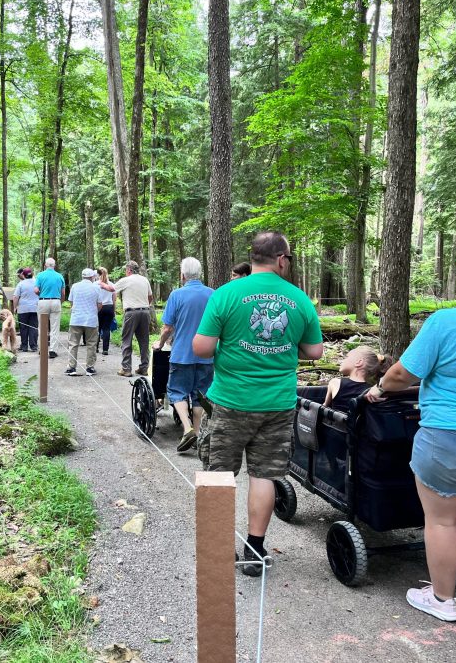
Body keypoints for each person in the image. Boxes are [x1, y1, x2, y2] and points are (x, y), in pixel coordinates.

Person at [193, 231, 323, 576]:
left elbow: (201, 348)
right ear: (281, 259)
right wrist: (283, 351)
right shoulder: (299, 299)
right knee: (264, 476)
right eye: (290, 259)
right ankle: (254, 551)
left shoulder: (227, 294)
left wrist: (230, 348)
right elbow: (315, 352)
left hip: (231, 401)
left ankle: (217, 550)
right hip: (278, 404)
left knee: (219, 474)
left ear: (253, 258)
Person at [367, 308, 456, 622]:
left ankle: (442, 599)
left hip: (447, 435)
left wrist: (379, 388)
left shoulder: (447, 323)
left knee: (443, 521)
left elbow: (401, 375)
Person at [153, 257, 214, 452]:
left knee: (176, 391)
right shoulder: (212, 295)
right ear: (200, 273)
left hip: (182, 353)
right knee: (200, 394)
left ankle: (187, 429)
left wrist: (160, 344)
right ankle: (196, 433)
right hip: (207, 355)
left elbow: (167, 327)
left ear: (182, 275)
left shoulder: (177, 295)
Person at [112, 260, 153, 377]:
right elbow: (150, 297)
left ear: (129, 270)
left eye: (126, 270)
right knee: (144, 341)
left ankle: (126, 368)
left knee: (127, 340)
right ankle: (144, 368)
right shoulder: (144, 280)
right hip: (145, 312)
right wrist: (145, 305)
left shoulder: (126, 280)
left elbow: (112, 289)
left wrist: (102, 284)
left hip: (131, 312)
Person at [324, 346, 392, 413]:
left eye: (347, 357)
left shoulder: (335, 383)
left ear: (359, 362)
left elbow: (324, 408)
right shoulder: (374, 391)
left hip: (337, 423)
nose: (342, 360)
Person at [65, 269, 102, 376]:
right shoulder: (96, 287)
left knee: (73, 344)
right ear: (92, 277)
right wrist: (94, 312)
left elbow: (71, 302)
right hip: (91, 320)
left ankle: (71, 368)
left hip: (76, 319)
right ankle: (90, 368)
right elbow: (100, 304)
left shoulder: (75, 286)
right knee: (91, 344)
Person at [34, 257, 66, 359]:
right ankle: (53, 350)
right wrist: (60, 301)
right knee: (55, 327)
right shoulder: (60, 276)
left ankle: (42, 349)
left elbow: (35, 290)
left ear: (45, 265)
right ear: (54, 266)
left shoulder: (40, 275)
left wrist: (41, 294)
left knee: (42, 327)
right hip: (56, 301)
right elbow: (63, 293)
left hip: (43, 301)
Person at [13, 268, 39, 352]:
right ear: (32, 274)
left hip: (23, 309)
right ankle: (33, 346)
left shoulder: (21, 284)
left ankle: (24, 346)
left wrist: (15, 307)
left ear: (23, 275)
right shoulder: (37, 282)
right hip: (35, 308)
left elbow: (15, 297)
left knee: (23, 327)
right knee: (33, 327)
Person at [96, 267, 116, 355]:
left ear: (98, 274)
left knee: (97, 328)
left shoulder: (95, 284)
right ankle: (105, 350)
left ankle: (95, 347)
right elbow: (114, 299)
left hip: (99, 308)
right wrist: (114, 310)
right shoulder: (111, 285)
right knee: (106, 328)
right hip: (109, 307)